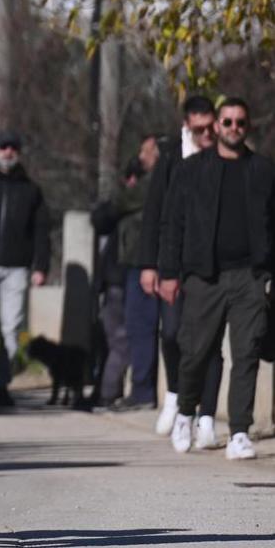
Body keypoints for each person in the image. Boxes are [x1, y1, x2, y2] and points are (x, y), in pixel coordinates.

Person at [158, 98, 272, 461]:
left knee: (247, 353)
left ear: (248, 126)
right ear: (217, 126)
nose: (233, 127)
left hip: (250, 275)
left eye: (240, 122)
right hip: (204, 275)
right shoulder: (192, 170)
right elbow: (172, 223)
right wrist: (168, 273)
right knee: (195, 352)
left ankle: (239, 431)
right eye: (228, 121)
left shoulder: (265, 170)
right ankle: (186, 413)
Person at [139, 97, 224, 440]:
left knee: (210, 341)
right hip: (174, 260)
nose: (206, 134)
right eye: (198, 128)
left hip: (212, 264)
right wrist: (150, 265)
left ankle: (206, 415)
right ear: (187, 124)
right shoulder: (172, 156)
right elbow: (154, 211)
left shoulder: (227, 156)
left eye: (210, 127)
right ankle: (174, 394)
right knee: (172, 333)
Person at [0, 131, 50, 407]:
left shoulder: (30, 189)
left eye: (13, 147)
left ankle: (1, 384)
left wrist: (41, 266)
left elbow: (41, 231)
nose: (8, 151)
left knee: (10, 328)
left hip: (17, 267)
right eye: (3, 146)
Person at [91, 158, 148, 407]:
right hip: (115, 281)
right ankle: (106, 392)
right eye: (131, 178)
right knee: (117, 340)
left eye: (140, 178)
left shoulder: (144, 206)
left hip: (130, 280)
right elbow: (99, 220)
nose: (135, 183)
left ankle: (107, 391)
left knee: (121, 340)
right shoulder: (119, 207)